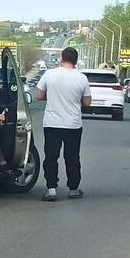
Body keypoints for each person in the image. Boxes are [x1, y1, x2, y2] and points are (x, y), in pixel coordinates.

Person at [34, 47, 91, 202]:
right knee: (72, 157)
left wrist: (51, 97)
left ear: (61, 58)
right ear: (76, 60)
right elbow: (87, 101)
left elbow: (38, 95)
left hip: (52, 123)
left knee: (51, 156)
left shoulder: (49, 74)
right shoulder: (81, 78)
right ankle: (73, 189)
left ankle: (51, 189)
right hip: (73, 124)